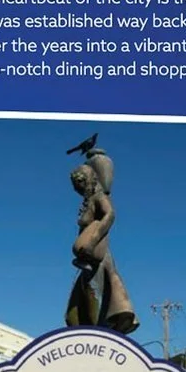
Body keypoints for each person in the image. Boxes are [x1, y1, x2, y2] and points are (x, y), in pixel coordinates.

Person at [63, 141, 137, 334]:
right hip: (86, 262)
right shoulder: (89, 201)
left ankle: (98, 336)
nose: (77, 189)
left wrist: (93, 238)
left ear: (88, 180)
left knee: (92, 294)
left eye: (80, 183)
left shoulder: (99, 197)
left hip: (97, 259)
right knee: (76, 307)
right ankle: (91, 334)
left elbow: (110, 214)